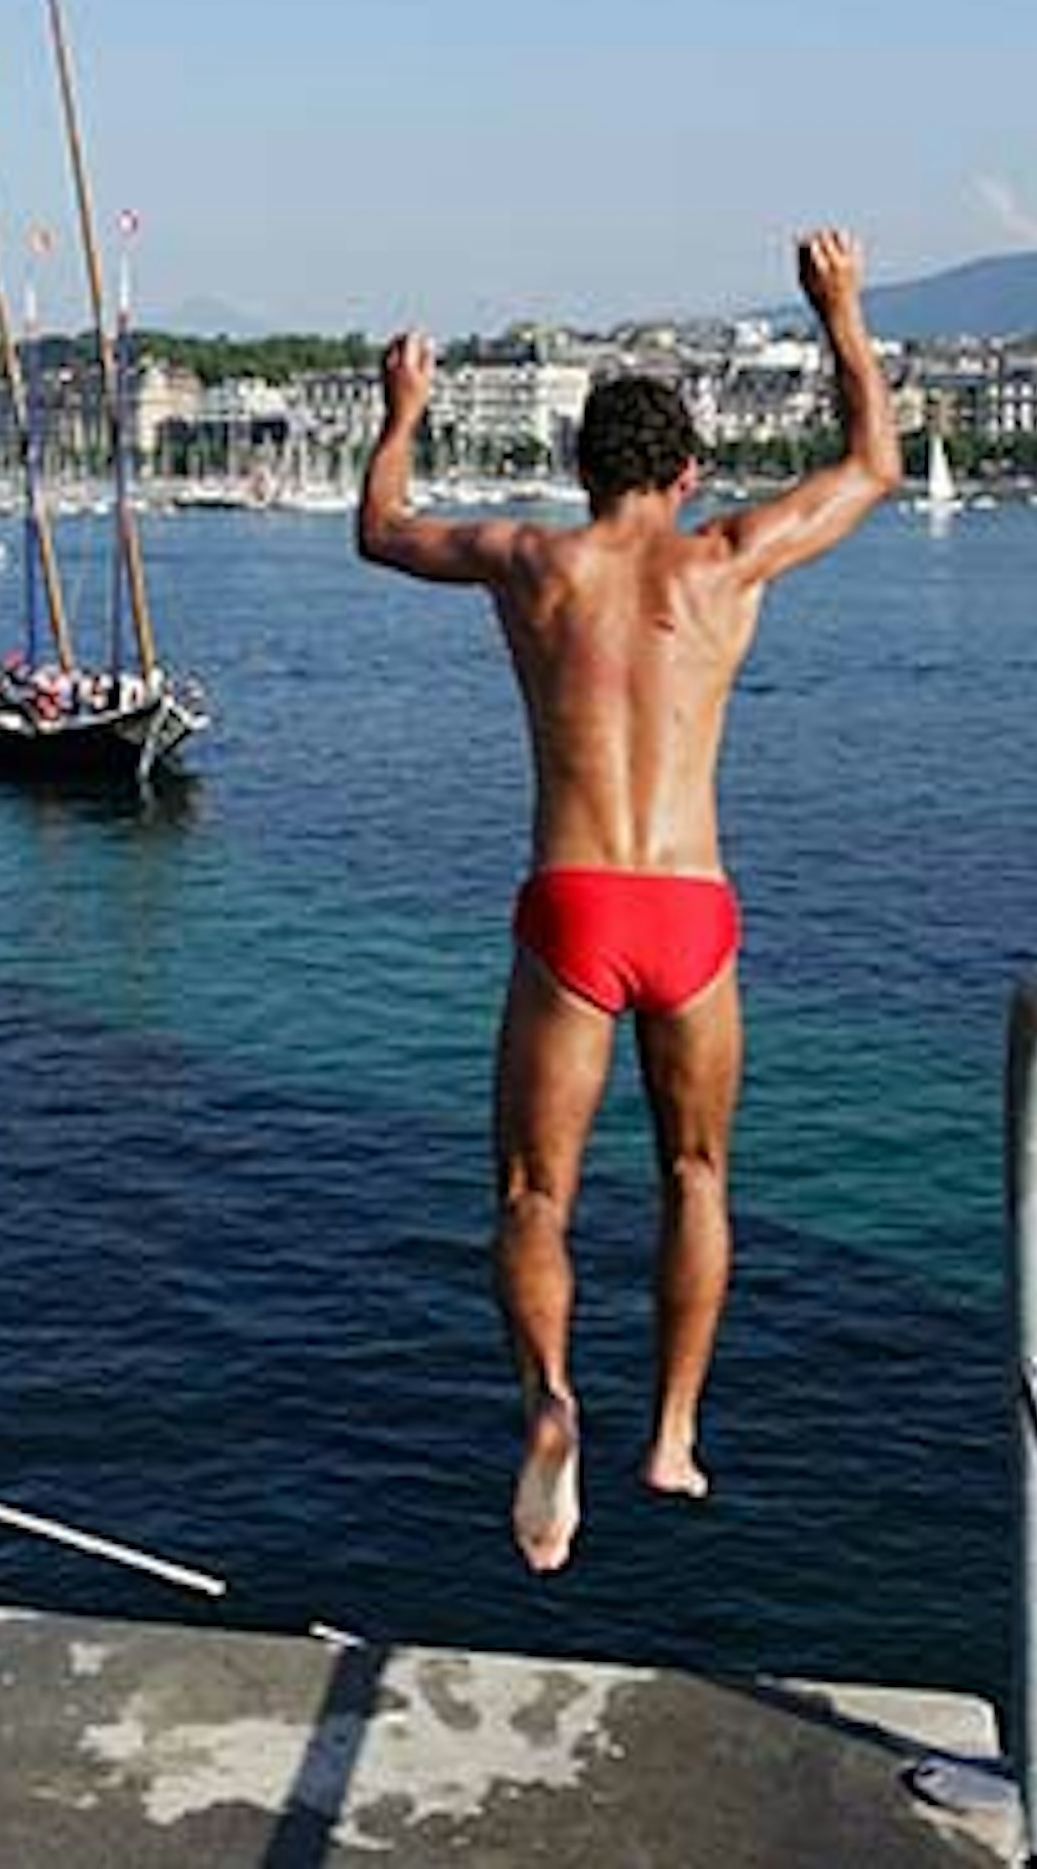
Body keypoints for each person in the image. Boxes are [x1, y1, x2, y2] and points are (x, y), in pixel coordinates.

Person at [355, 229, 900, 1573]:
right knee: (696, 1171)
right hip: (692, 913)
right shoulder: (728, 561)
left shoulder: (537, 567)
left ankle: (551, 1399)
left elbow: (380, 529)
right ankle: (673, 1431)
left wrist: (404, 412)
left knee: (536, 1193)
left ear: (580, 470)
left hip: (575, 904)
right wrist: (841, 314)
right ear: (689, 472)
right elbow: (876, 465)